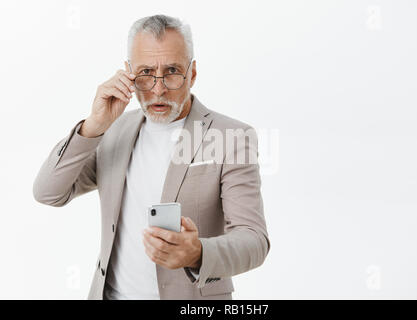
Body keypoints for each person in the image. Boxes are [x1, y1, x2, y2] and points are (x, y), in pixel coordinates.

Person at [33, 14, 270, 300]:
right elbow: (48, 193)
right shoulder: (113, 130)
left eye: (172, 70)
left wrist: (198, 253)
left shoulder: (232, 136)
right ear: (128, 73)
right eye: (145, 72)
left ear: (192, 74)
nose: (158, 89)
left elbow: (254, 240)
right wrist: (92, 126)